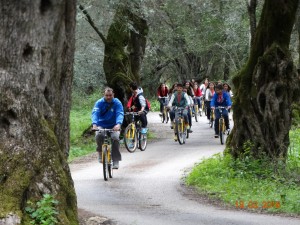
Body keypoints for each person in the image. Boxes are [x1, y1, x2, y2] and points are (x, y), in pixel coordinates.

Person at [91, 87, 124, 169]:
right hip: (101, 125)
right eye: (106, 95)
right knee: (98, 135)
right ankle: (100, 151)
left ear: (113, 95)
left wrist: (118, 124)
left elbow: (119, 113)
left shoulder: (117, 103)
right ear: (104, 95)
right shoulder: (99, 103)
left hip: (114, 126)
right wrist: (94, 124)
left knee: (115, 137)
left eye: (110, 95)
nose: (108, 97)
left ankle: (115, 160)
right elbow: (95, 113)